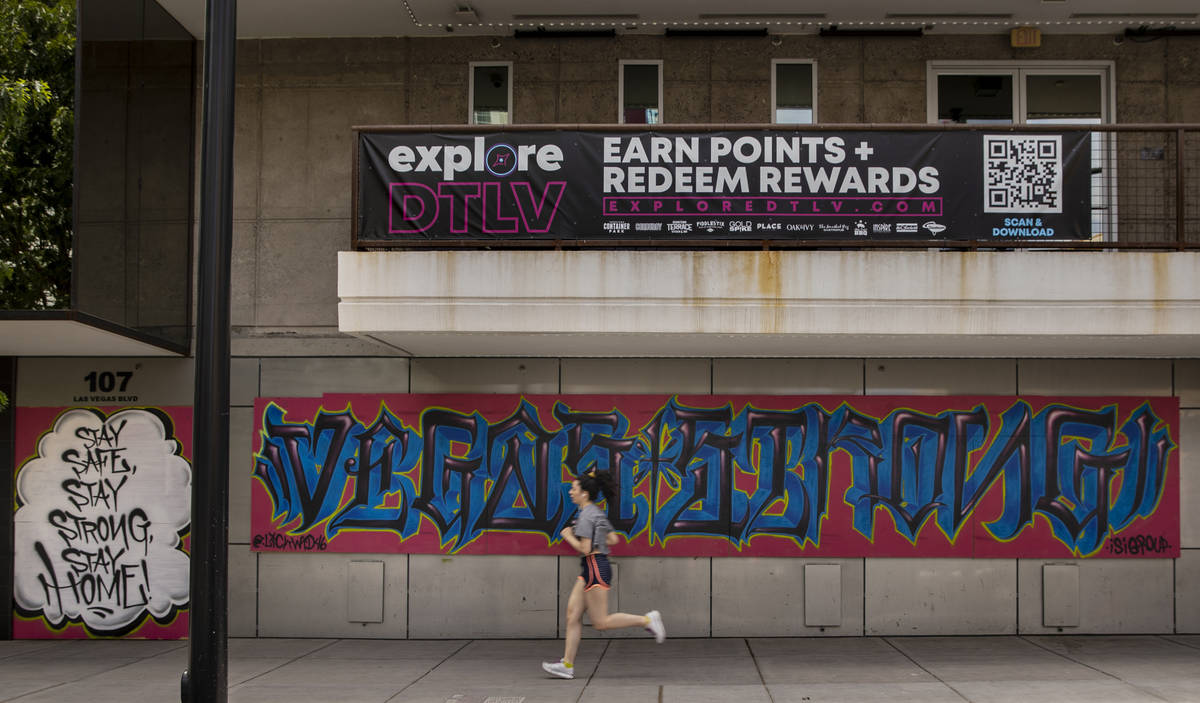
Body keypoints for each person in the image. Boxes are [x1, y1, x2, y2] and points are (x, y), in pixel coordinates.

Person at [542, 470, 665, 680]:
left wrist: (568, 536)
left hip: (594, 567)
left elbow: (585, 548)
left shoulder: (586, 516)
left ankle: (646, 620)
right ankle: (567, 665)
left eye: (574, 489)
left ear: (584, 494)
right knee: (572, 615)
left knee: (601, 622)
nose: (570, 492)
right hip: (592, 567)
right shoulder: (595, 513)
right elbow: (613, 539)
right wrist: (594, 540)